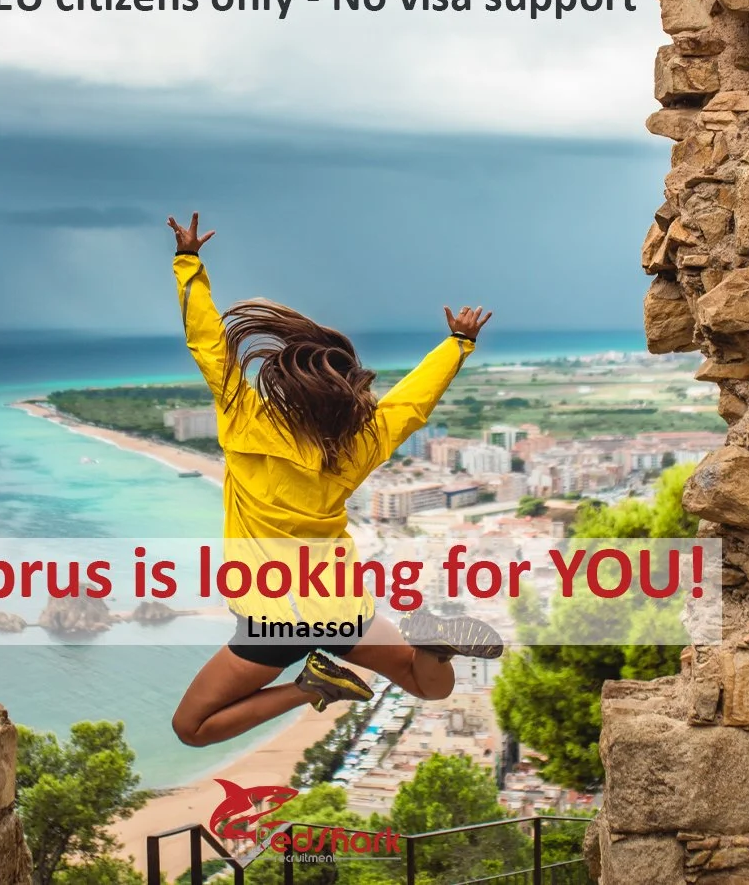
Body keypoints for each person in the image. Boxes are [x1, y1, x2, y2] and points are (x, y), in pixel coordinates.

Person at [167, 212, 501, 748]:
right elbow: (411, 406)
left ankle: (309, 687)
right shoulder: (358, 445)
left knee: (192, 729)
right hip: (340, 606)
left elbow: (208, 345)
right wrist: (457, 343)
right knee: (426, 685)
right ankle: (435, 648)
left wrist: (189, 263)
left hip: (275, 618)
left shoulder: (246, 421)